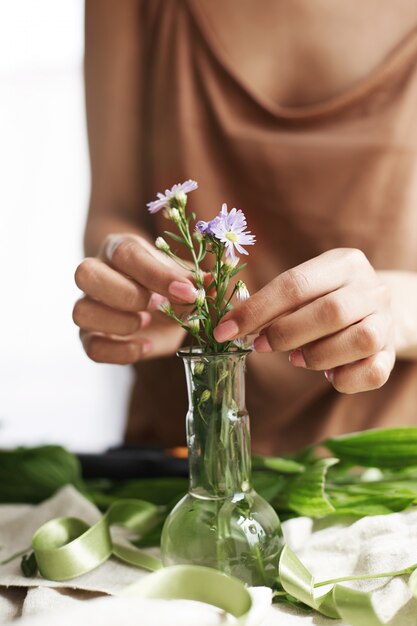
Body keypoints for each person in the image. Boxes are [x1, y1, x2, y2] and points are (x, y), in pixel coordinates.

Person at [73, 0, 417, 454]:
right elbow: (112, 211)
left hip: (383, 475)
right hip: (178, 462)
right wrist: (133, 272)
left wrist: (395, 312)